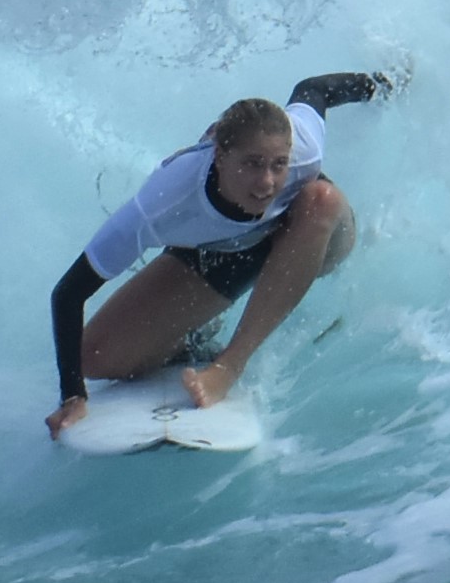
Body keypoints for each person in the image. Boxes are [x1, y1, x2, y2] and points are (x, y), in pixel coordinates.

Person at [45, 72, 395, 440]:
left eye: (278, 164)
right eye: (252, 164)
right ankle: (190, 344)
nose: (267, 182)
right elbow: (68, 292)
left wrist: (381, 85)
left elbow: (314, 90)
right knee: (96, 357)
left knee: (320, 199)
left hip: (314, 235)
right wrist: (72, 394)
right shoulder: (164, 202)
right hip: (226, 253)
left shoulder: (303, 145)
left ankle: (229, 365)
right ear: (220, 156)